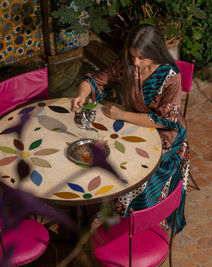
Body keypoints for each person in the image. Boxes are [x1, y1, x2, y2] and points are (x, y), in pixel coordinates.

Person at [71, 24, 189, 233]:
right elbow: (97, 80)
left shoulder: (171, 77)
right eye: (133, 56)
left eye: (142, 58)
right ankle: (112, 205)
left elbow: (163, 120)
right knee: (109, 150)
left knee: (136, 168)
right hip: (137, 125)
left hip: (166, 133)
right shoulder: (129, 65)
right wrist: (81, 94)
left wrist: (122, 115)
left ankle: (128, 216)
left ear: (155, 52)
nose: (135, 62)